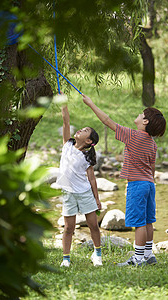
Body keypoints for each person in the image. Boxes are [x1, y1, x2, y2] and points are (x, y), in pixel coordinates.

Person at [82, 94, 166, 267]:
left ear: (145, 122)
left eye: (142, 114)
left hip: (137, 184)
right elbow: (152, 168)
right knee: (148, 221)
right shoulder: (152, 143)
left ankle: (138, 258)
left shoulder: (132, 136)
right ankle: (149, 255)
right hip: (149, 184)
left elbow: (107, 121)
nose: (139, 115)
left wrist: (91, 103)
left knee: (139, 223)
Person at [56, 94, 102, 267]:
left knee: (93, 225)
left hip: (84, 193)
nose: (80, 130)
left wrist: (97, 198)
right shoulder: (67, 144)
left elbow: (92, 179)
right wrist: (64, 104)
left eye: (84, 131)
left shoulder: (87, 158)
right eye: (81, 129)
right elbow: (66, 122)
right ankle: (66, 259)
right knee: (68, 228)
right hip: (68, 193)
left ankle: (97, 254)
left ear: (89, 141)